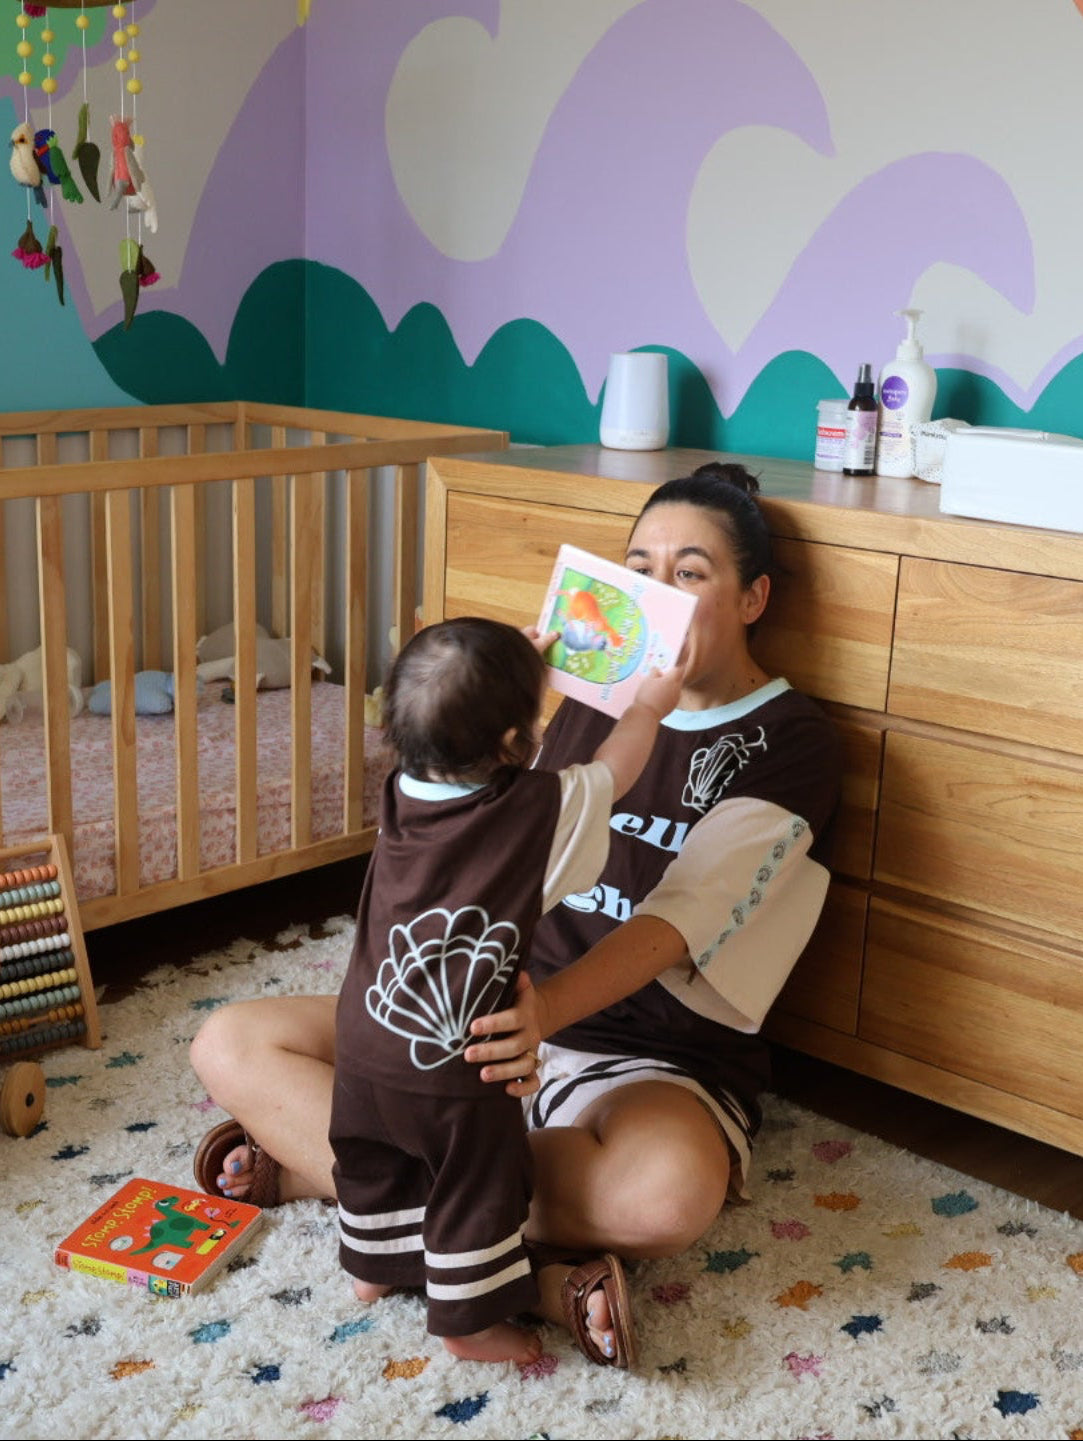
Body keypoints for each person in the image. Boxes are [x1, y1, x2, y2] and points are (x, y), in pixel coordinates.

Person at [189, 460, 842, 1370]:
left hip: (644, 1052)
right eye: (638, 567)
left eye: (689, 574)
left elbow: (681, 918)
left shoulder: (788, 739)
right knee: (227, 1041)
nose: (655, 593)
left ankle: (329, 1178)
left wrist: (545, 1017)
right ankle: (525, 1276)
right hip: (480, 1019)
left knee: (664, 1198)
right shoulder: (576, 700)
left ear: (751, 597)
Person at [330, 616, 683, 1364]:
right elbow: (615, 767)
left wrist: (503, 672)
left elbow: (458, 719)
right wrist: (649, 704)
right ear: (515, 745)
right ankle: (468, 1321)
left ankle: (371, 1268)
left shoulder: (400, 791)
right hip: (458, 1057)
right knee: (478, 1180)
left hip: (363, 1032)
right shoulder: (534, 807)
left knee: (371, 1151)